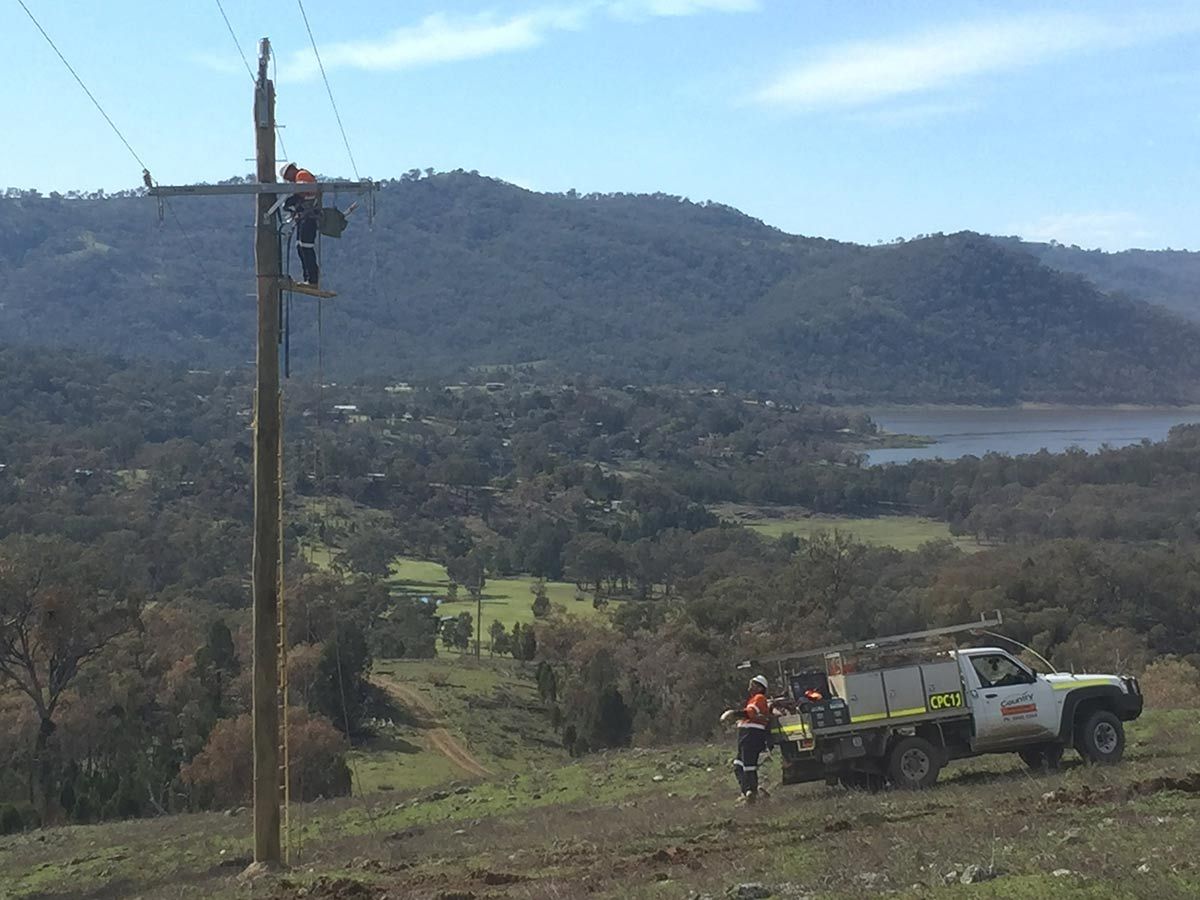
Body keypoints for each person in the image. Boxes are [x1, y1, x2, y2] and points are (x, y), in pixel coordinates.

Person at [726, 674, 771, 804]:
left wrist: (734, 714)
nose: (750, 687)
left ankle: (751, 793)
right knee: (738, 765)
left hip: (751, 735)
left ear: (760, 687)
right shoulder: (753, 699)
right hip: (746, 735)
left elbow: (750, 713)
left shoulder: (759, 698)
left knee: (749, 766)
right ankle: (747, 791)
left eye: (754, 684)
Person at [280, 162, 320, 286]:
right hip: (304, 218)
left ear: (291, 171)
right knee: (300, 247)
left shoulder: (302, 175)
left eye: (288, 177)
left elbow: (304, 191)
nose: (290, 180)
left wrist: (293, 198)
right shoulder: (300, 177)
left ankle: (312, 279)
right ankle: (308, 278)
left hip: (309, 217)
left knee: (306, 247)